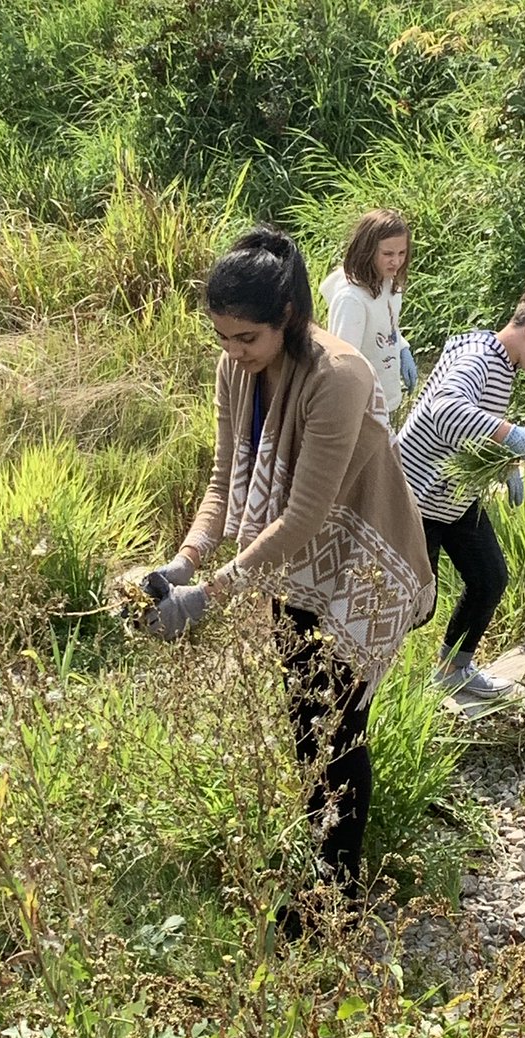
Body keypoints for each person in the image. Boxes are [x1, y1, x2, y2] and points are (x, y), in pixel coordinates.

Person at [142, 226, 435, 912]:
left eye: (246, 338)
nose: (233, 353)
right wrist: (183, 562)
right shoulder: (236, 371)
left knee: (340, 730)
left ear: (291, 318)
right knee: (305, 720)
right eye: (222, 338)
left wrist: (210, 595)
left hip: (362, 562)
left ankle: (336, 897)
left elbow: (305, 512)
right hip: (289, 567)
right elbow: (223, 481)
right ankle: (320, 861)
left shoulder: (339, 375)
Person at [396, 278, 525, 698]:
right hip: (417, 499)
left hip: (457, 495)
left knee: (489, 578)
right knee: (415, 606)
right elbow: (445, 411)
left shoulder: (503, 364)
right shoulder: (480, 359)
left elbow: (471, 426)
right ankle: (362, 681)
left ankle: (453, 670)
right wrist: (511, 436)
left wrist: (502, 466)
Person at [319, 209, 418, 418]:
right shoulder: (351, 300)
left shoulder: (388, 284)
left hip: (386, 395)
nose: (396, 262)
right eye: (388, 254)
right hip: (363, 407)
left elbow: (387, 328)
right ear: (367, 251)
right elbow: (344, 362)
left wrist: (402, 348)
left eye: (402, 253)